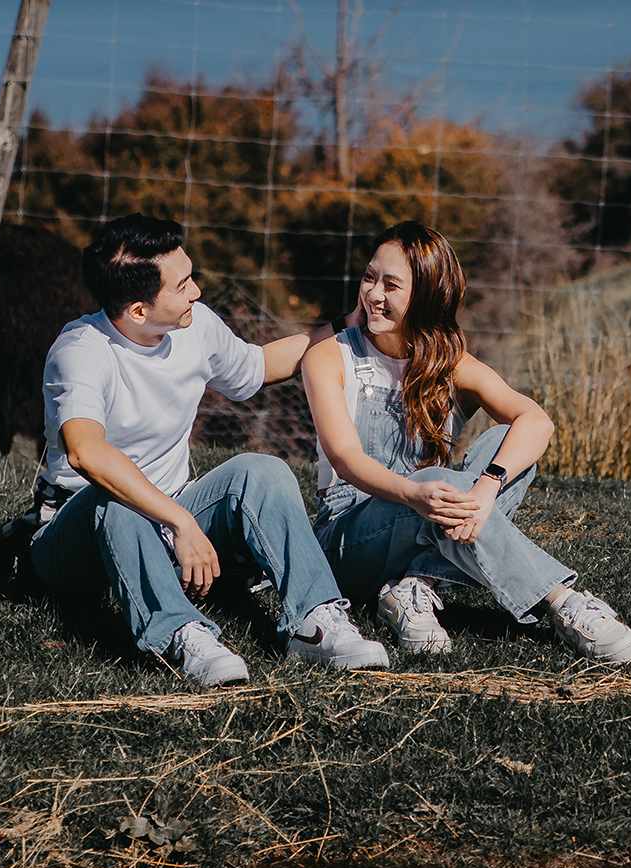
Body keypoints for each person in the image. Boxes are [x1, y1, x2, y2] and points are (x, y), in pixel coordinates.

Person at [30, 212, 392, 687]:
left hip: (171, 509)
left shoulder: (194, 324)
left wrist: (349, 324)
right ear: (138, 310)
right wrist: (179, 521)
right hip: (76, 533)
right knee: (114, 499)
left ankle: (316, 622)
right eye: (183, 286)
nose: (196, 292)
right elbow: (85, 452)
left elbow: (258, 366)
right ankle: (183, 635)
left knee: (261, 469)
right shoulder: (80, 350)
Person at [300, 221, 631, 662]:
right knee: (446, 480)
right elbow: (345, 459)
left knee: (505, 444)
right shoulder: (330, 355)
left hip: (434, 509)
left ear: (425, 294)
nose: (373, 294)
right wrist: (415, 492)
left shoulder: (448, 361)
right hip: (350, 539)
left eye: (391, 285)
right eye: (370, 277)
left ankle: (416, 587)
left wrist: (484, 491)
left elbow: (536, 421)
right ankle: (562, 601)